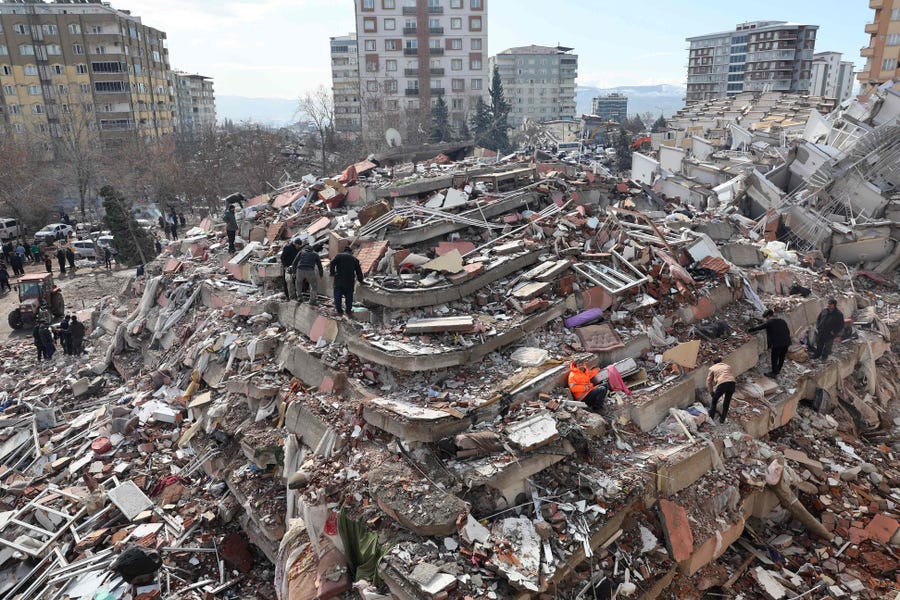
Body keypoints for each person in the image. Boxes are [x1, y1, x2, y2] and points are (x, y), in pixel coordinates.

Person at [748, 309, 792, 377]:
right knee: (782, 356)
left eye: (766, 317)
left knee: (774, 357)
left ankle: (774, 373)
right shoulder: (782, 321)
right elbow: (788, 331)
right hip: (786, 342)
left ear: (768, 316)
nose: (766, 319)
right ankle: (778, 370)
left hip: (777, 344)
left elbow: (760, 327)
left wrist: (749, 330)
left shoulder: (770, 322)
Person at [328, 246, 364, 318]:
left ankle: (339, 312)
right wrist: (361, 280)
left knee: (337, 296)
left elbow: (332, 263)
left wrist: (332, 273)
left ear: (344, 251)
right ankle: (348, 311)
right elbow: (359, 272)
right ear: (351, 252)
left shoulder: (339, 256)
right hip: (349, 282)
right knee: (349, 297)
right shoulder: (355, 260)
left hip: (339, 280)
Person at [706, 358, 736, 423]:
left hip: (722, 384)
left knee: (714, 400)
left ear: (713, 363)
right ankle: (722, 419)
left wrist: (711, 392)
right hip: (732, 383)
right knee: (727, 402)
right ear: (721, 361)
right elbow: (728, 375)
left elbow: (709, 381)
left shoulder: (712, 368)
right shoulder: (727, 366)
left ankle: (711, 417)